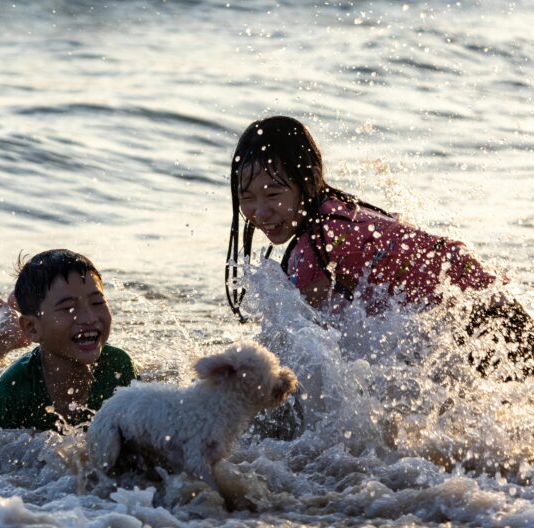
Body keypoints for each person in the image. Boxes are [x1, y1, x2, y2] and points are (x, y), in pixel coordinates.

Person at [224, 115, 534, 376]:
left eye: (273, 194)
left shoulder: (314, 248)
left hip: (480, 322)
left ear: (312, 179)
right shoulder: (340, 214)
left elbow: (310, 350)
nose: (260, 212)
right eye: (247, 197)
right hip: (494, 308)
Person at [0, 249, 136, 434]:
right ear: (32, 328)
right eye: (68, 307)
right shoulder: (9, 394)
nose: (89, 318)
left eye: (97, 302)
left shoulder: (118, 367)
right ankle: (3, 334)